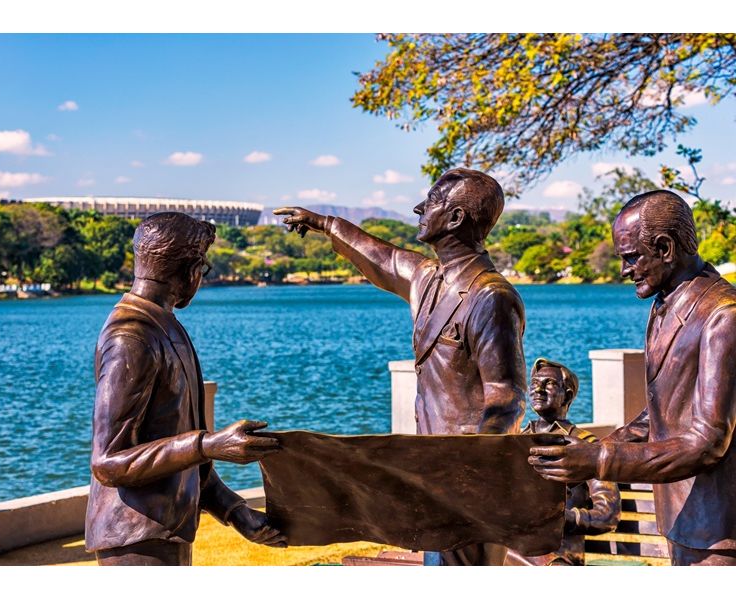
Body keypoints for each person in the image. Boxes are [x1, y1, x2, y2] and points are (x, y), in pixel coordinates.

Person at [275, 168, 527, 565]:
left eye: (430, 203)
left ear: (456, 218)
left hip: (468, 478)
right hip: (433, 471)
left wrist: (473, 466)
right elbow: (385, 258)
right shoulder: (429, 279)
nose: (418, 209)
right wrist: (326, 225)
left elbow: (506, 397)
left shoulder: (490, 297)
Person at [530, 190, 736, 566]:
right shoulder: (665, 302)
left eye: (631, 258)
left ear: (665, 248)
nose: (624, 270)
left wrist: (601, 459)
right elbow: (664, 408)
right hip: (682, 520)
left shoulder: (723, 316)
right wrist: (595, 448)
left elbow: (708, 442)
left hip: (719, 529)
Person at [85, 212, 286, 566]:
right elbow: (108, 462)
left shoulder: (167, 328)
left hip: (167, 529)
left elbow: (183, 447)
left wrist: (235, 512)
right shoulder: (130, 337)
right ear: (189, 269)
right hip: (134, 538)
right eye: (203, 267)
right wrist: (209, 444)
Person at [504, 358, 620, 566]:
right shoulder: (516, 441)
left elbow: (608, 514)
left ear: (567, 395)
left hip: (558, 557)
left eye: (549, 384)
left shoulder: (586, 446)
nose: (538, 390)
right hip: (511, 553)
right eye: (534, 384)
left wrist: (560, 519)